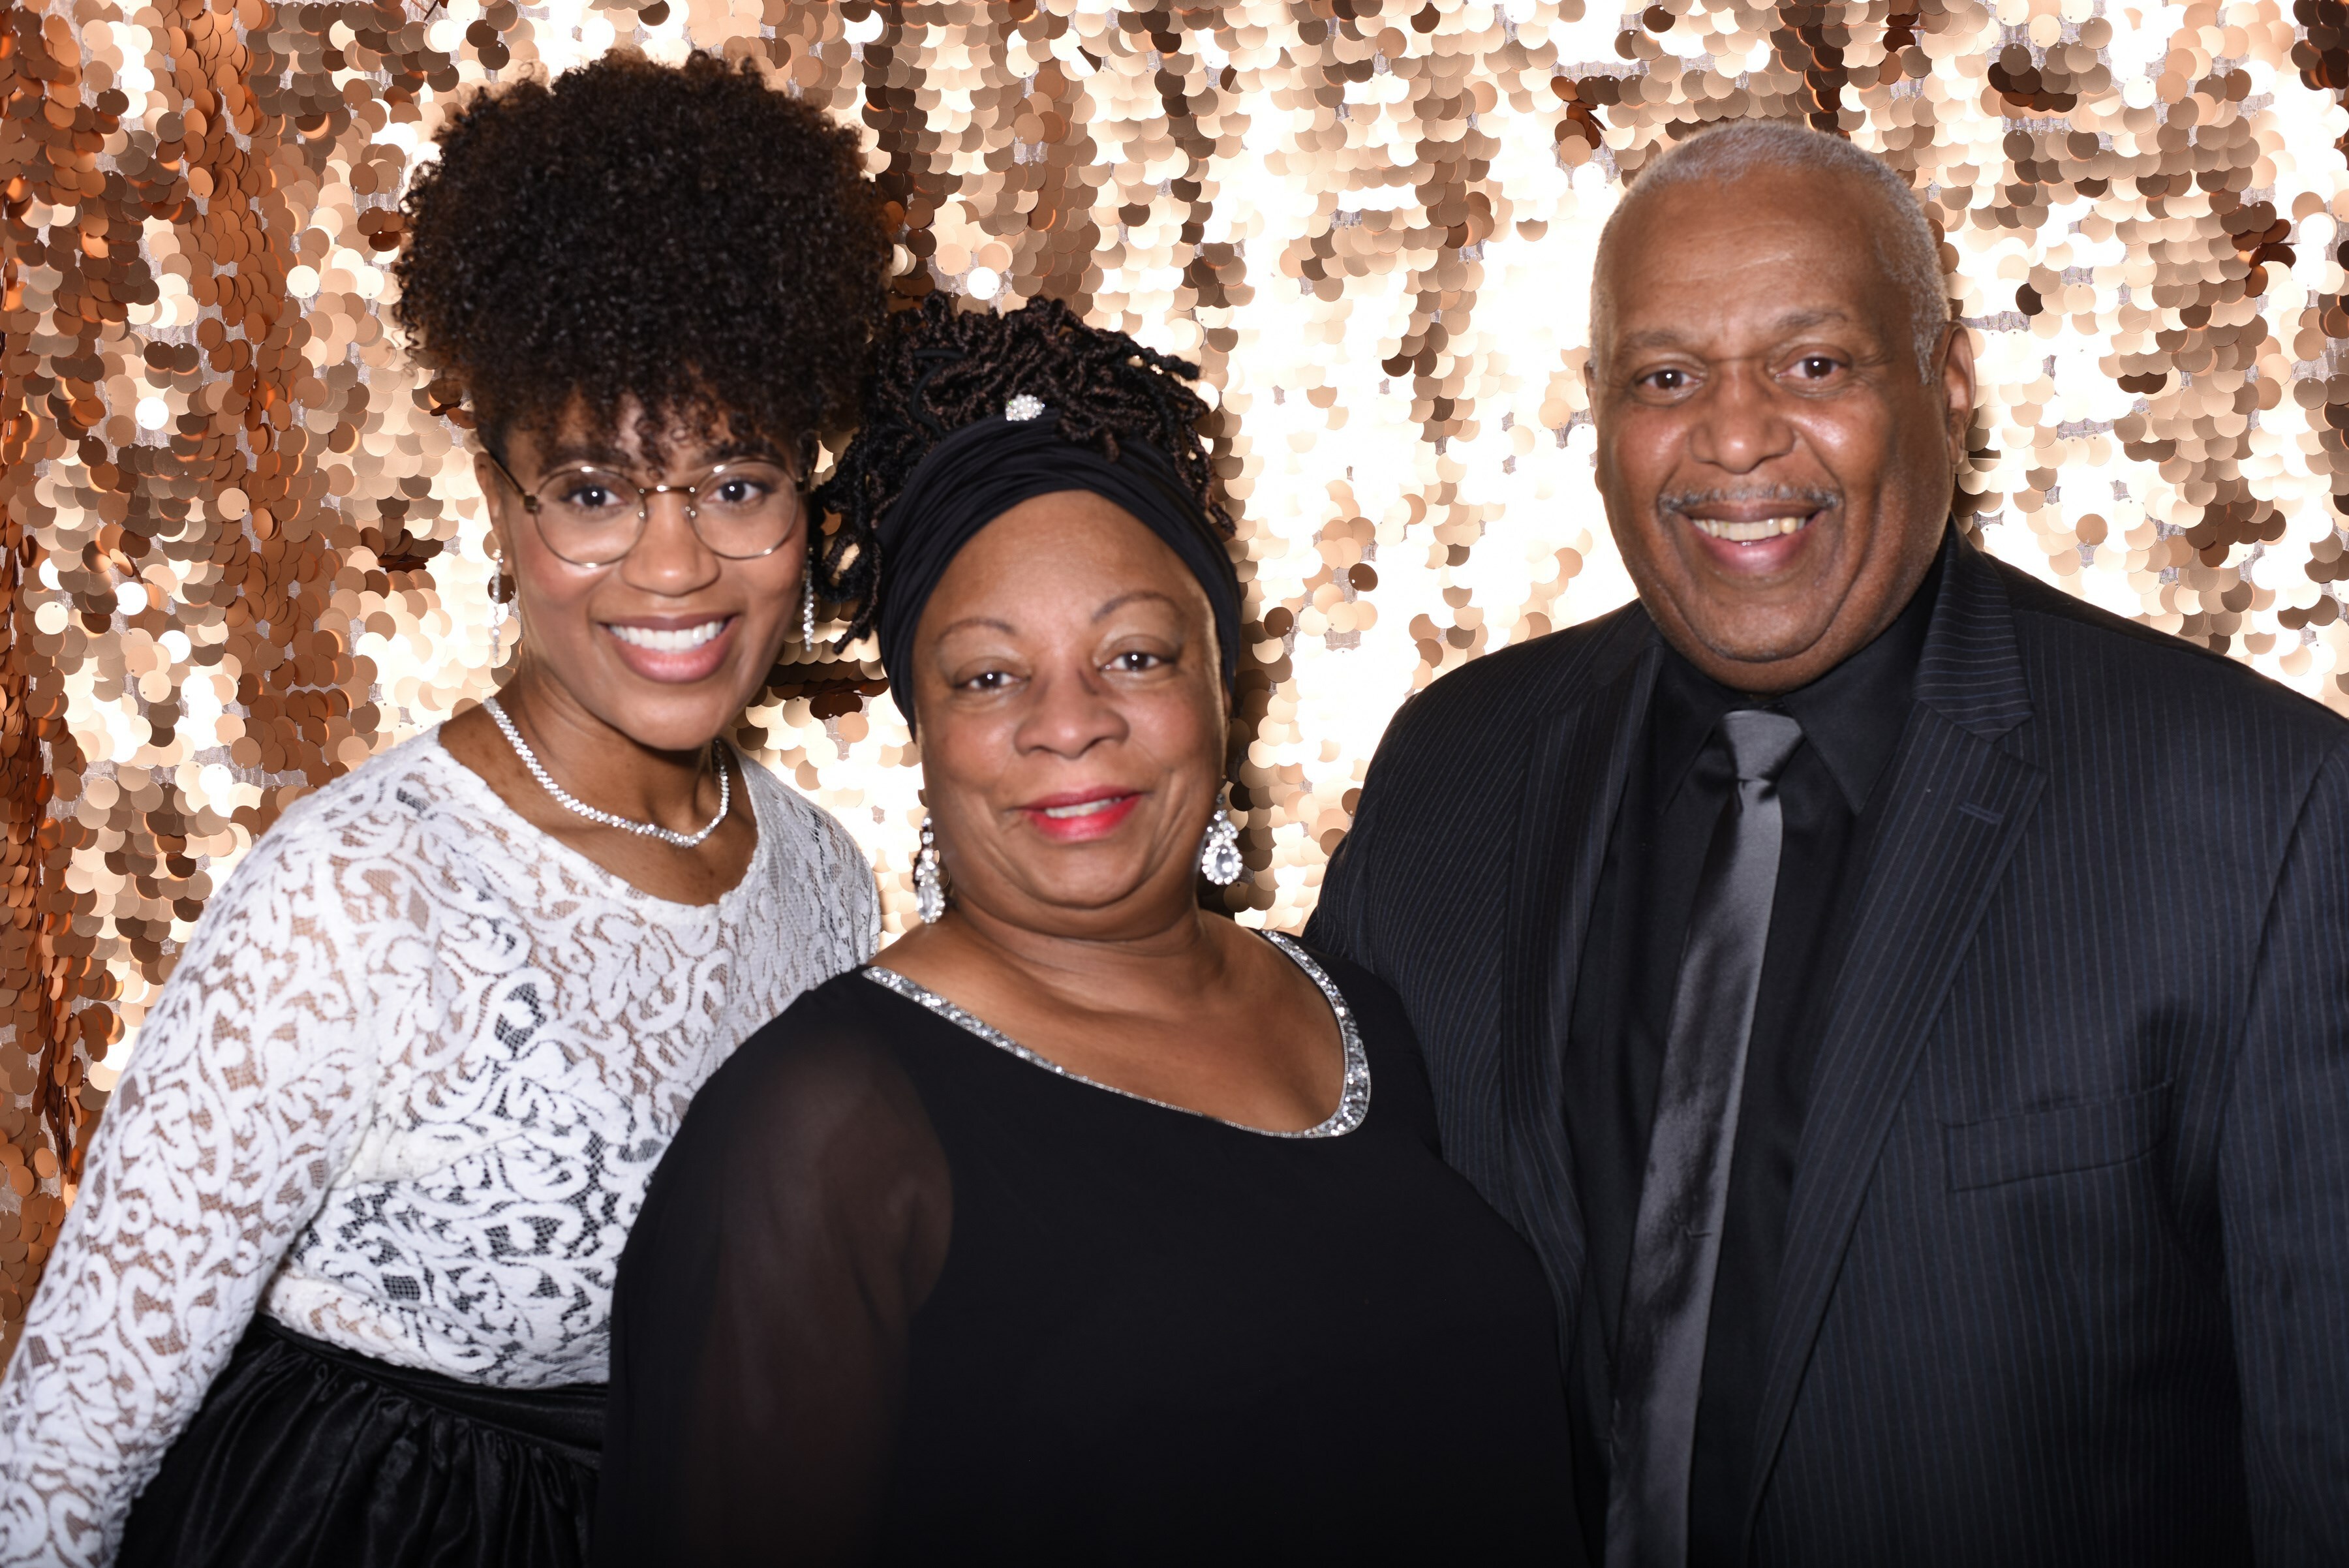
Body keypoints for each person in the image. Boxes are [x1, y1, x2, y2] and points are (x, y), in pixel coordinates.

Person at [1308, 118, 2349, 1567]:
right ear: (1598, 410)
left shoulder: (2258, 811)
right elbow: (1315, 1303)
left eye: (1814, 365)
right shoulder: (1453, 770)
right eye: (1667, 377)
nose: (1736, 438)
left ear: (1949, 381)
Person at [0, 54, 892, 1568]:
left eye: (736, 483)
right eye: (595, 491)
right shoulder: (357, 894)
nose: (674, 565)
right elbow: (62, 1447)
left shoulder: (824, 877)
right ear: (498, 502)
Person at [594, 294, 1578, 1565]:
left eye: (1136, 656)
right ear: (926, 733)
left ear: (1221, 683)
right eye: (990, 676)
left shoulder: (1359, 1013)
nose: (1070, 723)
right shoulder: (820, 1126)